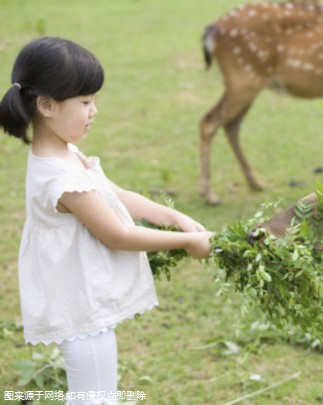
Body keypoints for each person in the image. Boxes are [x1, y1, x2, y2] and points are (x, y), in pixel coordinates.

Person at [0, 36, 213, 404]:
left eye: (94, 100)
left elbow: (115, 196)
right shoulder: (59, 179)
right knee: (94, 398)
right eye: (85, 102)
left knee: (98, 395)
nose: (94, 110)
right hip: (78, 306)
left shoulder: (66, 152)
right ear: (47, 105)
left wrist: (173, 216)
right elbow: (119, 235)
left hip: (83, 300)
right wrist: (187, 242)